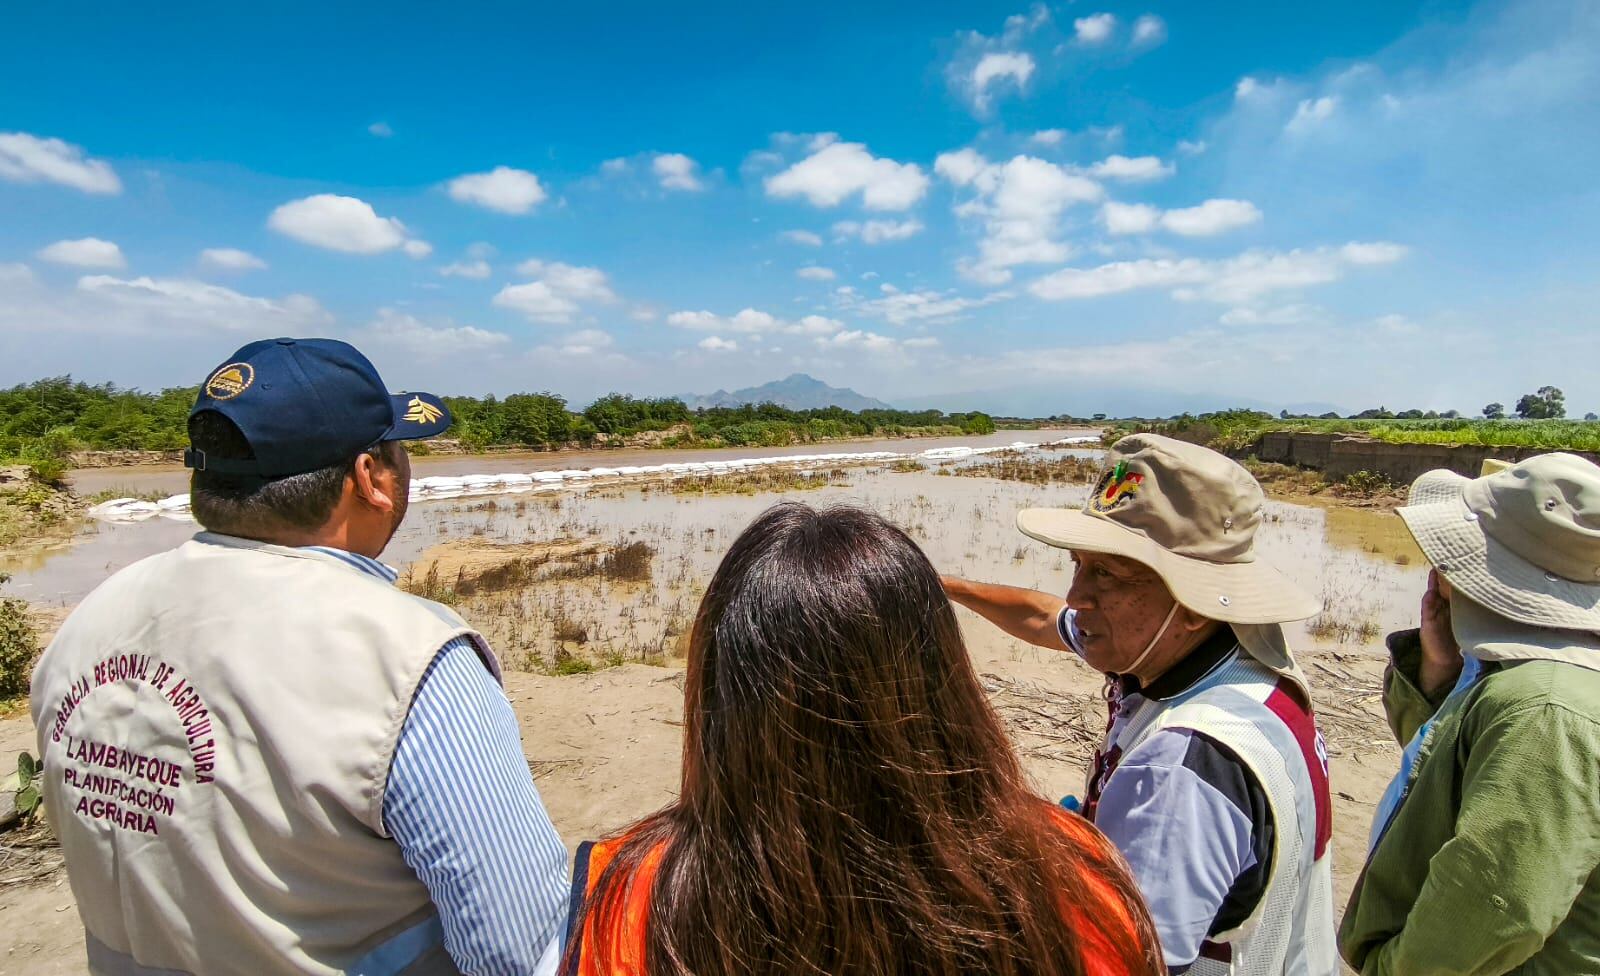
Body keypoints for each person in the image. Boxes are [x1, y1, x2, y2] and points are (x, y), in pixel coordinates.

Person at [31, 338, 568, 975]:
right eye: (397, 452)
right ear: (370, 479)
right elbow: (524, 951)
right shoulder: (406, 655)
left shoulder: (92, 618)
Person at [563, 502, 1163, 976]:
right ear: (940, 677)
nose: (1080, 596)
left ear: (720, 683)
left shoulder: (627, 895)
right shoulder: (1076, 871)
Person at [943, 434, 1338, 975]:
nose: (1077, 596)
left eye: (1106, 573)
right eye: (1079, 564)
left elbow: (1131, 960)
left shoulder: (1180, 770)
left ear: (1194, 603)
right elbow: (1040, 617)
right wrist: (948, 586)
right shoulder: (1235, 661)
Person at [1339, 453, 1600, 975]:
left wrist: (1387, 968)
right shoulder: (1512, 668)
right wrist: (1438, 669)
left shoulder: (1544, 705)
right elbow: (1445, 777)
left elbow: (1493, 910)